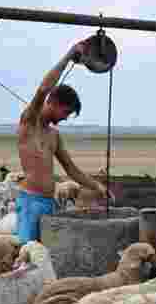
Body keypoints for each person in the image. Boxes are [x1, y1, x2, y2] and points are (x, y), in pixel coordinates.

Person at [15, 39, 110, 242]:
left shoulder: (54, 135)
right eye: (66, 112)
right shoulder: (29, 122)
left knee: (47, 257)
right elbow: (42, 89)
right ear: (52, 102)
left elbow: (71, 170)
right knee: (26, 257)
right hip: (30, 202)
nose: (65, 118)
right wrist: (68, 56)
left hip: (49, 203)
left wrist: (96, 186)